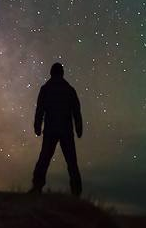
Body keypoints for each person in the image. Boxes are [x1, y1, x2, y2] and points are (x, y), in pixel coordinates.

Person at [30, 62, 83, 196]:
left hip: (51, 129)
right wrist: (78, 128)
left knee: (44, 159)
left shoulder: (46, 89)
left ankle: (37, 187)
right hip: (66, 130)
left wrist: (37, 126)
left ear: (51, 73)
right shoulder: (69, 89)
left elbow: (40, 109)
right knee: (71, 162)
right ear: (62, 73)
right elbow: (76, 111)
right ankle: (76, 192)